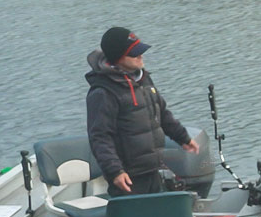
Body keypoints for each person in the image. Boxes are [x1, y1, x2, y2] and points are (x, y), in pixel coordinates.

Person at [85, 26, 200, 194]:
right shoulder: (103, 92)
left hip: (153, 170)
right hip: (128, 179)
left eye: (140, 50)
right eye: (134, 52)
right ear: (118, 56)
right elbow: (100, 137)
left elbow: (162, 114)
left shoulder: (144, 79)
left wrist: (183, 137)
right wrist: (115, 171)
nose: (141, 55)